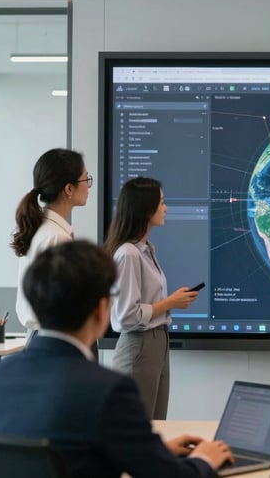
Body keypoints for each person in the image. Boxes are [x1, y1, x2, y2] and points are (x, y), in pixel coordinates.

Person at [0, 241, 233, 478]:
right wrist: (204, 459)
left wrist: (153, 451)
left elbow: (66, 454)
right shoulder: (108, 390)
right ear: (101, 309)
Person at [104, 177, 199, 420]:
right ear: (146, 209)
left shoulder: (145, 251)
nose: (166, 208)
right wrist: (171, 302)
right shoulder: (129, 254)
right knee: (138, 428)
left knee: (156, 425)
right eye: (162, 203)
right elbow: (126, 317)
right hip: (140, 345)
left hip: (157, 344)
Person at [11, 148, 91, 336]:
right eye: (86, 179)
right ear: (69, 189)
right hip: (55, 336)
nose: (88, 186)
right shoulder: (56, 238)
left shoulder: (43, 228)